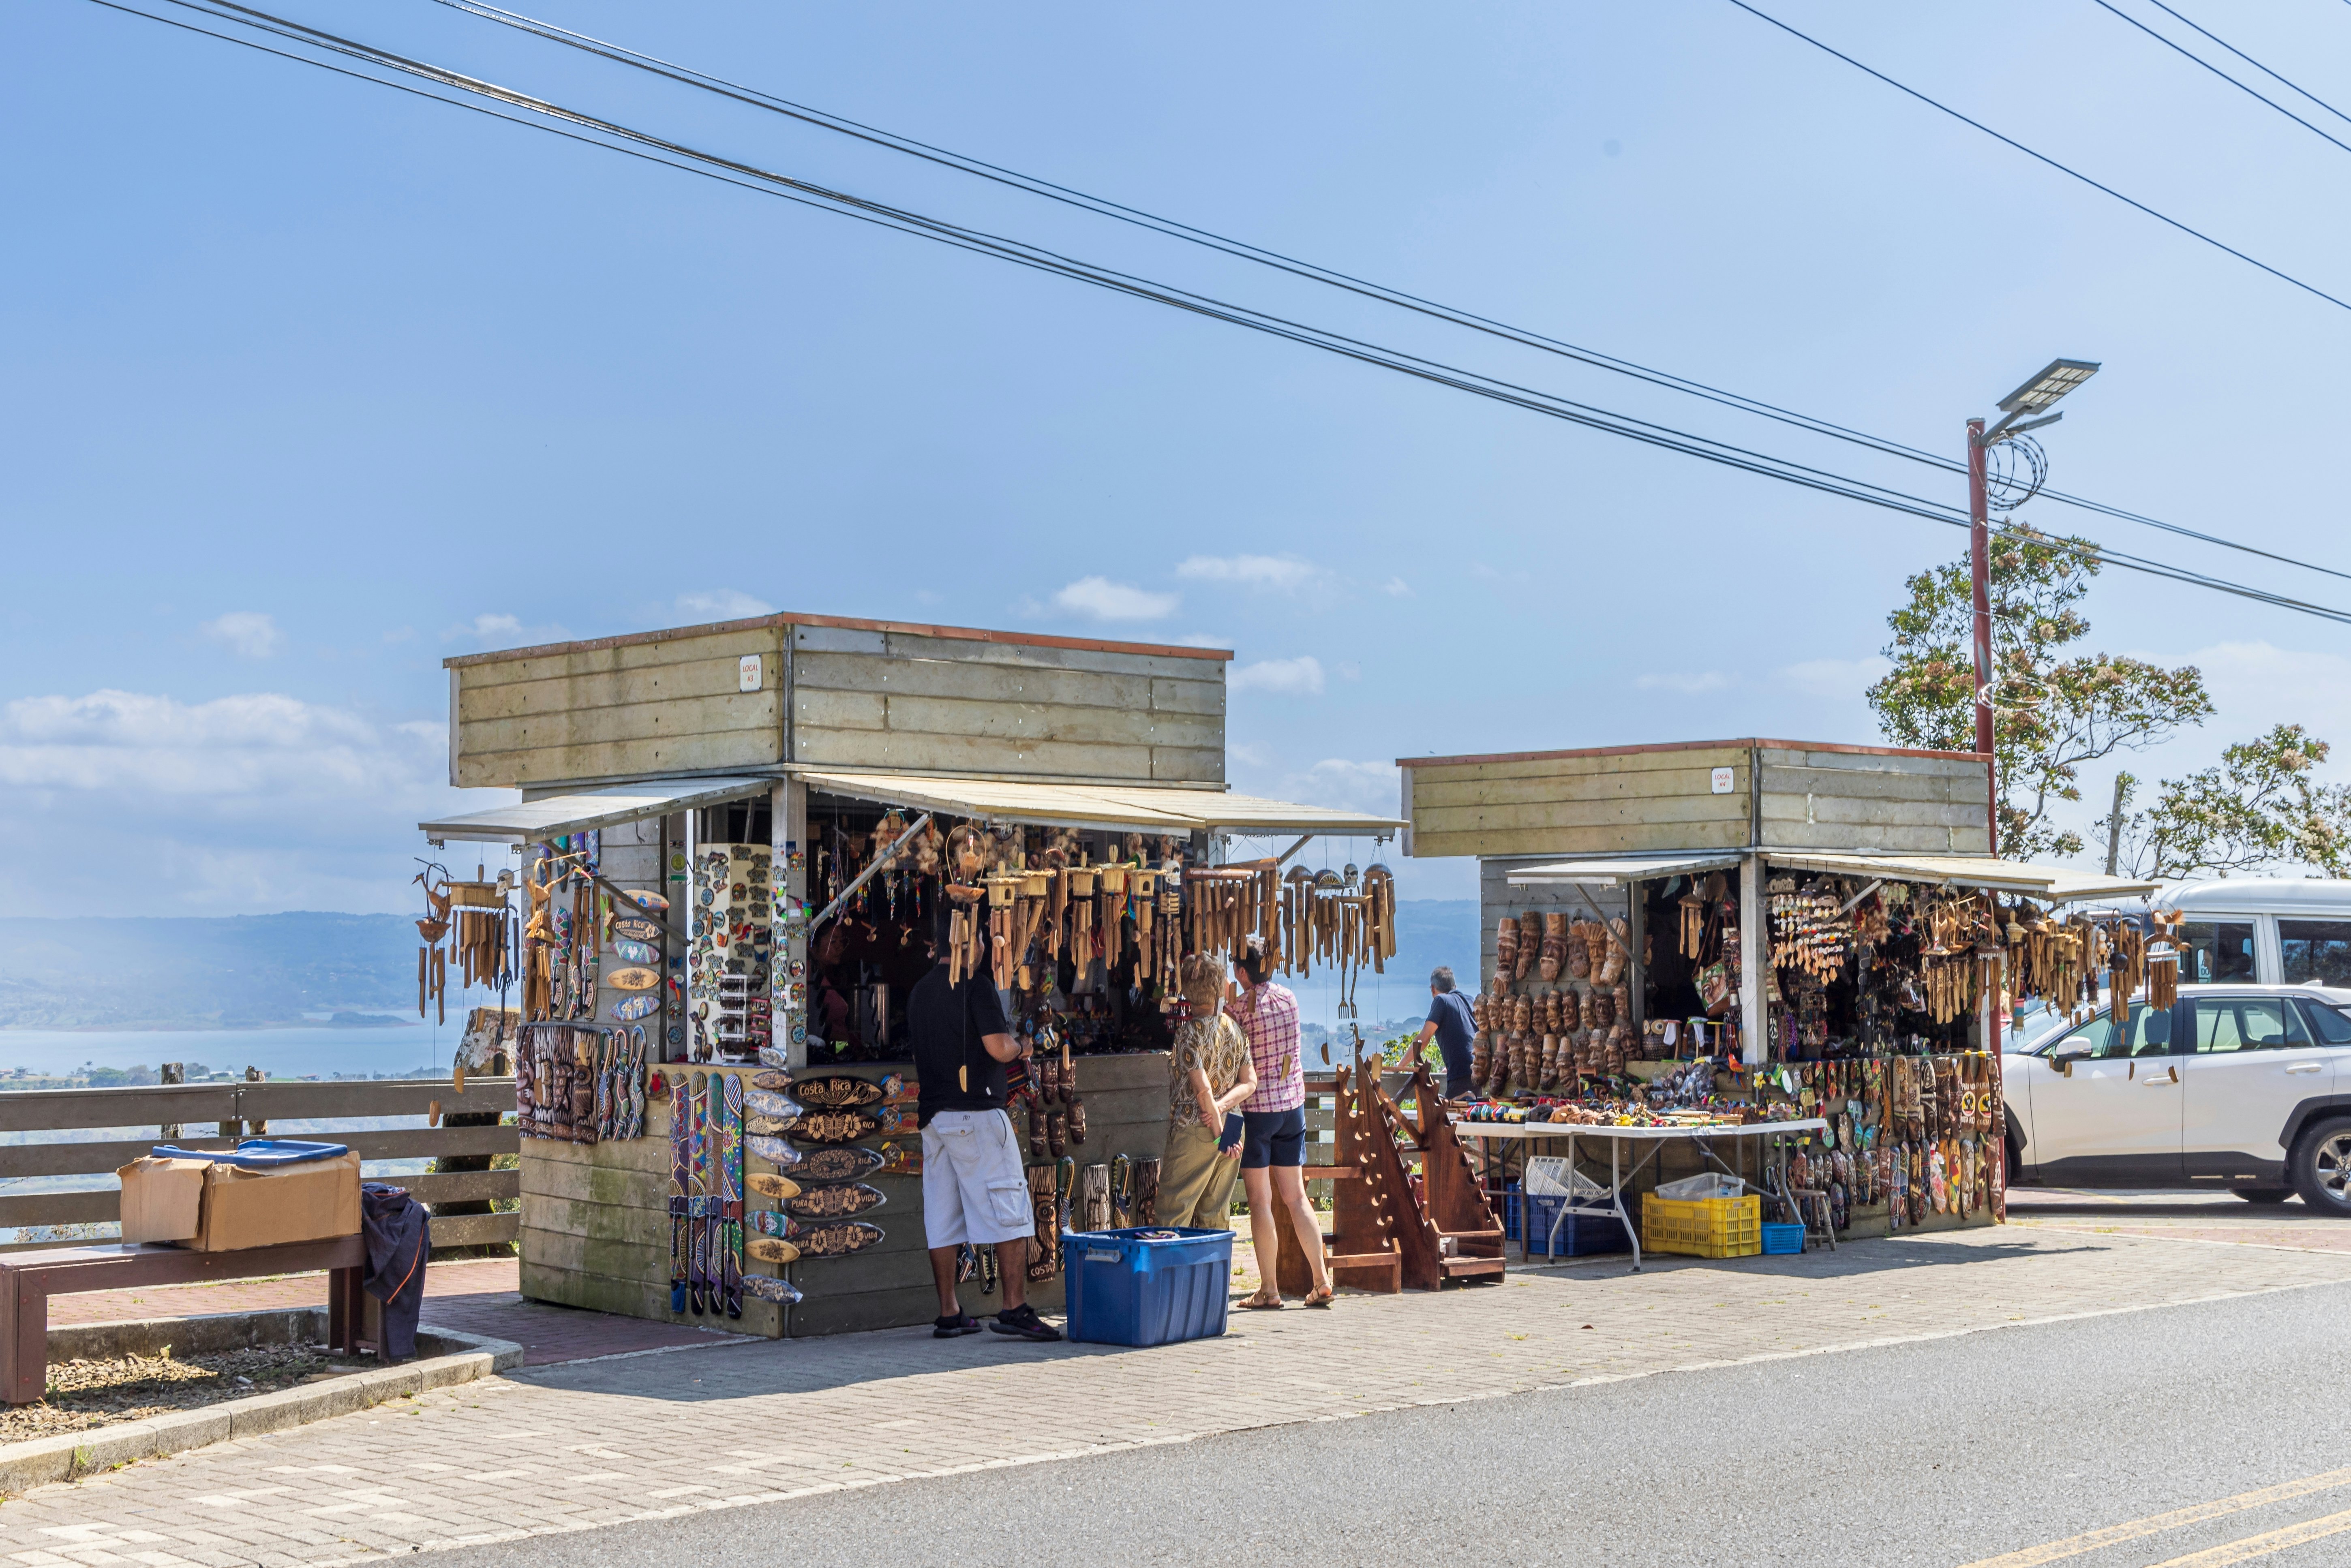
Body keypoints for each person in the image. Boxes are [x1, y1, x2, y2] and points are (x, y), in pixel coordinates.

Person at [910, 900, 1060, 1342]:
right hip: (975, 1113)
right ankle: (1013, 1305)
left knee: (942, 1213)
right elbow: (997, 1047)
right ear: (969, 941)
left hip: (934, 1117)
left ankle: (949, 1310)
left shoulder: (920, 990)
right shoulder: (974, 987)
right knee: (1008, 1205)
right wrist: (1023, 1047)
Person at [1231, 936, 1334, 1310]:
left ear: (1242, 972)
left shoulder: (1238, 1008)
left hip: (1258, 1110)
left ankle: (1270, 1289)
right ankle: (1321, 1280)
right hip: (1293, 1106)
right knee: (1297, 1197)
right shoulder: (1289, 998)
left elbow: (1230, 1051)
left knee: (1261, 1200)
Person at [1156, 953, 1255, 1230]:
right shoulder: (1235, 1029)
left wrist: (1219, 1135)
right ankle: (1214, 1274)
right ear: (1217, 990)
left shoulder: (1188, 1033)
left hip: (1198, 1128)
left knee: (1173, 1213)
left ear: (1187, 991)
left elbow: (1202, 1093)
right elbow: (1250, 1083)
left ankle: (1172, 1275)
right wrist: (1225, 1120)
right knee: (1215, 1216)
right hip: (1233, 1127)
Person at [1414, 966, 1479, 1098]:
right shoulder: (1470, 1000)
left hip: (1461, 1075)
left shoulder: (1441, 1000)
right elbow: (1466, 1036)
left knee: (1443, 1115)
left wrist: (1401, 1065)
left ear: (1433, 989)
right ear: (1455, 986)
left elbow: (1424, 1039)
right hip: (1479, 1070)